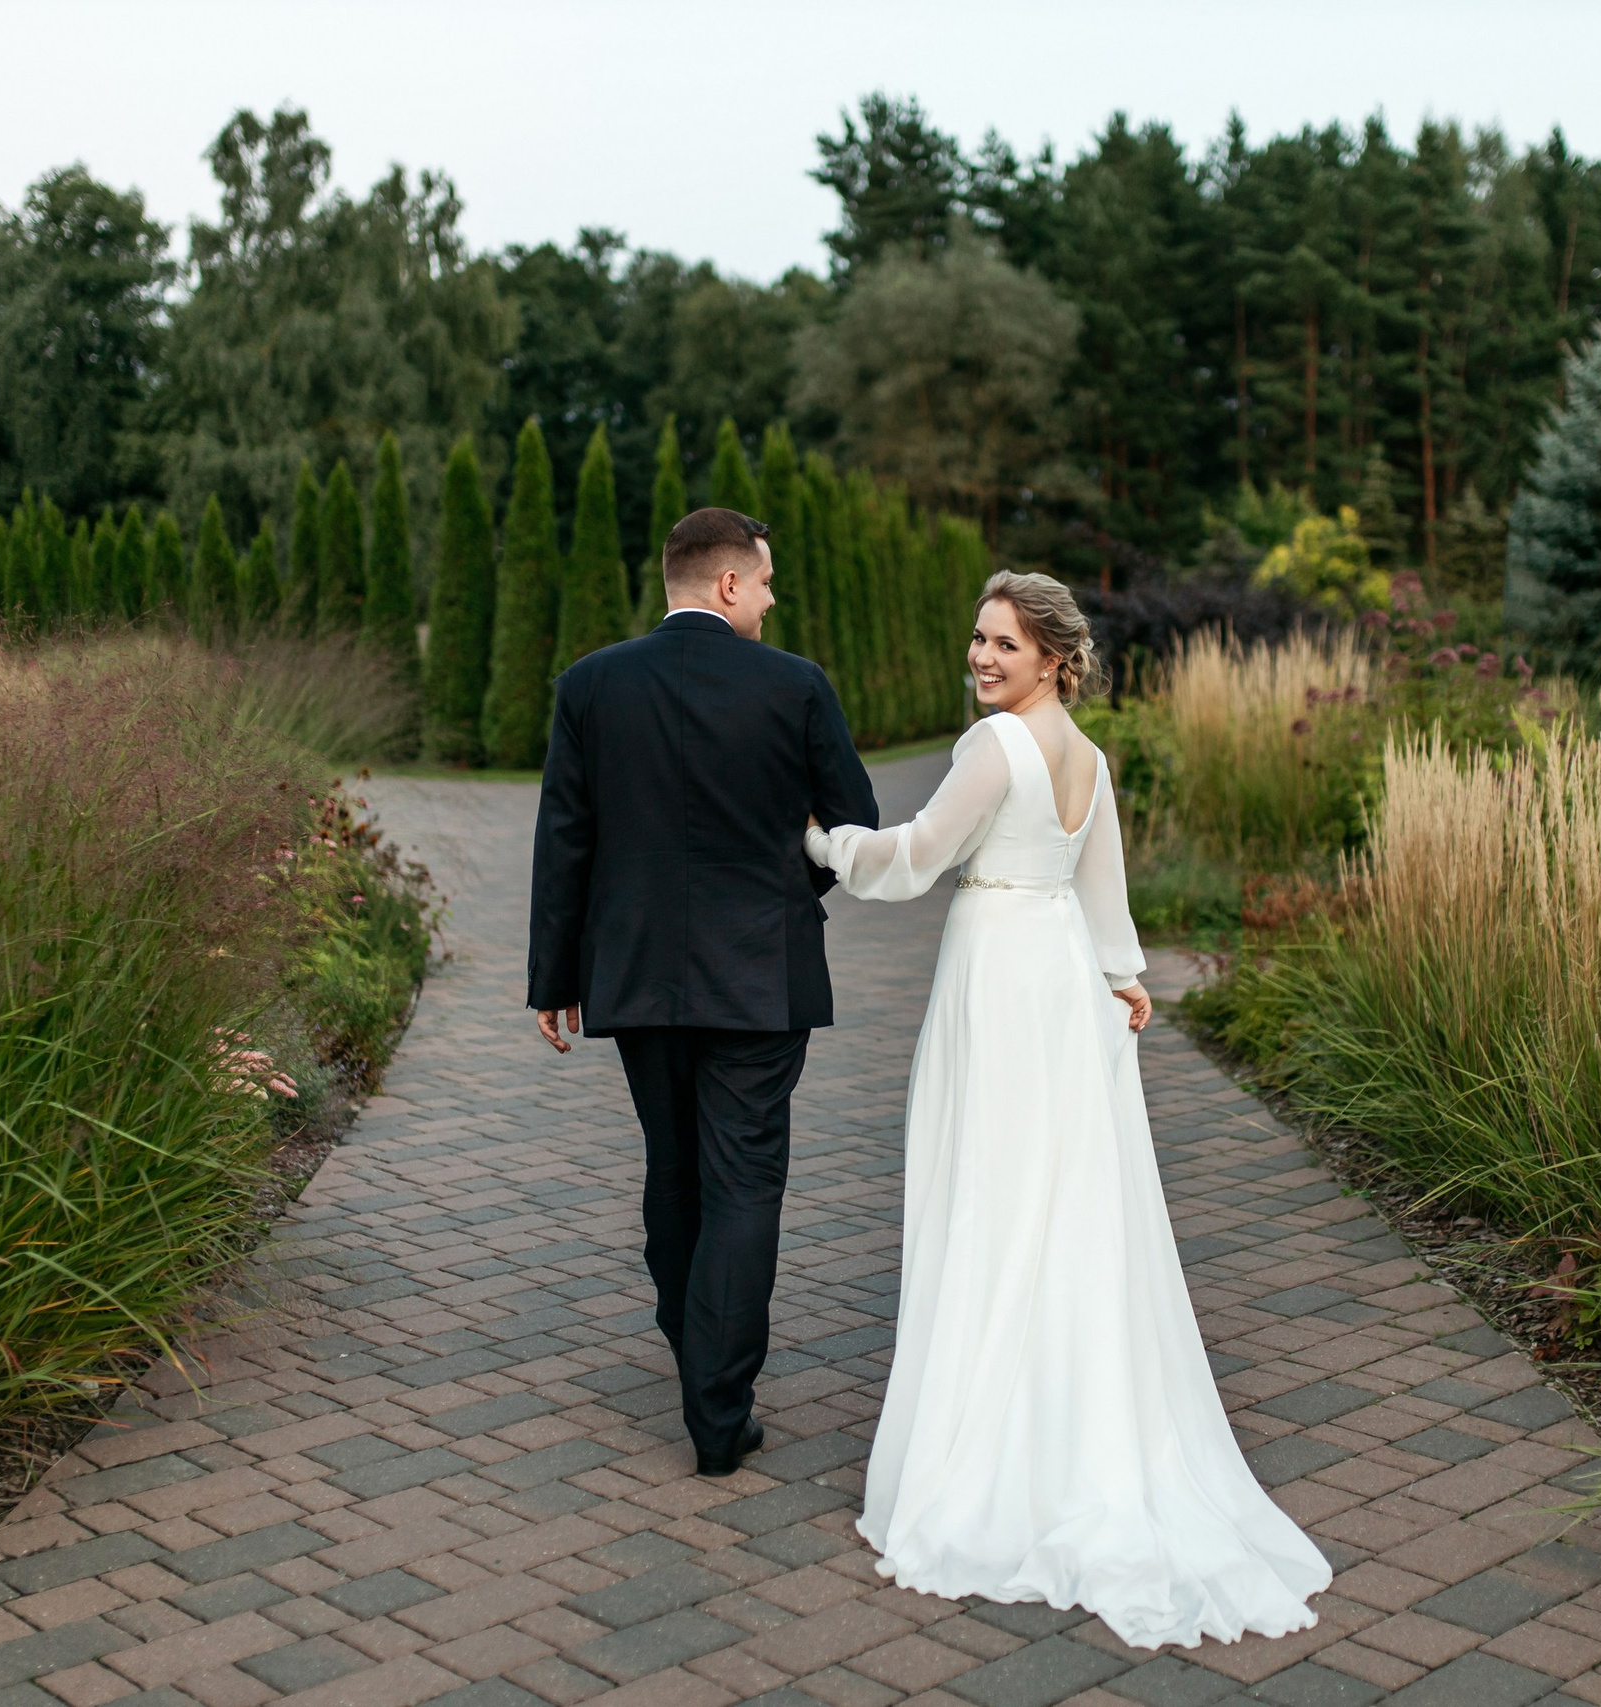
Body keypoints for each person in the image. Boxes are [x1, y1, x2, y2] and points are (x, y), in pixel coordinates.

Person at [805, 570, 1331, 1650]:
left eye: (1005, 643)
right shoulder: (1087, 756)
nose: (981, 656)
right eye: (978, 637)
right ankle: (1064, 1422)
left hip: (1000, 977)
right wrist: (1121, 973)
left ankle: (994, 1449)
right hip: (1056, 979)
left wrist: (823, 842)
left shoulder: (994, 746)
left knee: (992, 1192)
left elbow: (913, 859)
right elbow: (1102, 885)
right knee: (1058, 1198)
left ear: (1053, 657)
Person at [528, 507, 879, 1478]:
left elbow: (565, 838)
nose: (771, 598)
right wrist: (780, 894)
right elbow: (853, 824)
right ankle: (718, 1412)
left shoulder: (590, 685)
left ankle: (700, 1361)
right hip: (760, 978)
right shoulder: (795, 685)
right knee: (745, 1183)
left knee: (673, 1170)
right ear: (727, 584)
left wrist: (555, 977)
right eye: (763, 581)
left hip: (636, 976)